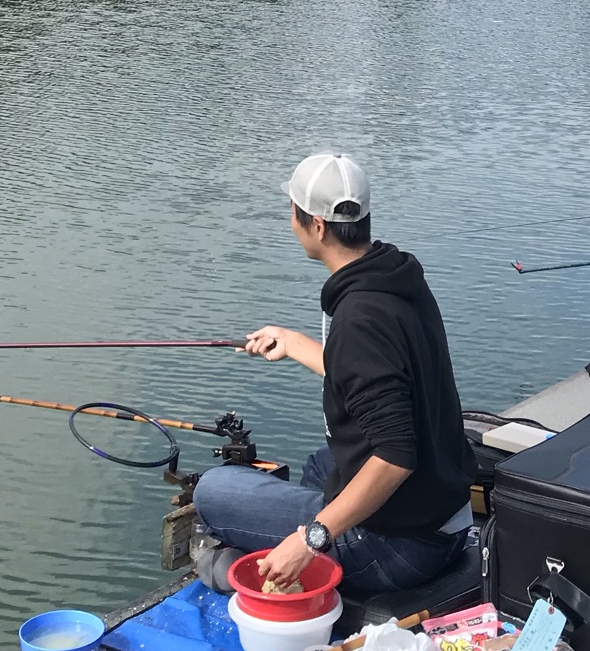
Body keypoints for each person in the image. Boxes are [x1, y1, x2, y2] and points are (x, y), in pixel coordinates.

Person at [191, 153, 475, 597]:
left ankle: (280, 562)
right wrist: (293, 341)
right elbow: (381, 376)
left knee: (212, 491)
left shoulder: (359, 317)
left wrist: (311, 540)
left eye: (293, 213)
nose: (291, 223)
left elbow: (397, 456)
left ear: (317, 226)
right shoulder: (397, 277)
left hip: (403, 546)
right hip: (446, 513)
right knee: (323, 464)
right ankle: (314, 530)